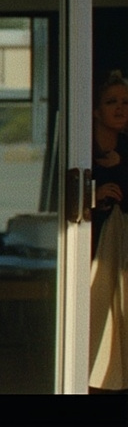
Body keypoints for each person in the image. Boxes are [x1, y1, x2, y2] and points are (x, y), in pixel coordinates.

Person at [90, 69, 128, 391]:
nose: (120, 108)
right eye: (111, 102)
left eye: (125, 102)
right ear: (96, 110)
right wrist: (95, 195)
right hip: (90, 245)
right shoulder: (82, 147)